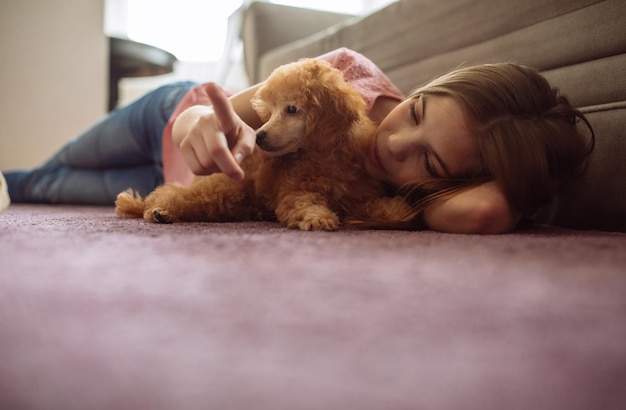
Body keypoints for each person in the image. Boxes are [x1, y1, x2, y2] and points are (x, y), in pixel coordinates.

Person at [2, 48, 594, 234]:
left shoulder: (418, 193)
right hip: (167, 120)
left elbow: (486, 209)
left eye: (429, 159)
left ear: (455, 178)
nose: (394, 145)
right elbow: (225, 115)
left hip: (171, 191)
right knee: (45, 172)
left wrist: (500, 187)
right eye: (415, 111)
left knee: (37, 188)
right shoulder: (347, 76)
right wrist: (194, 126)